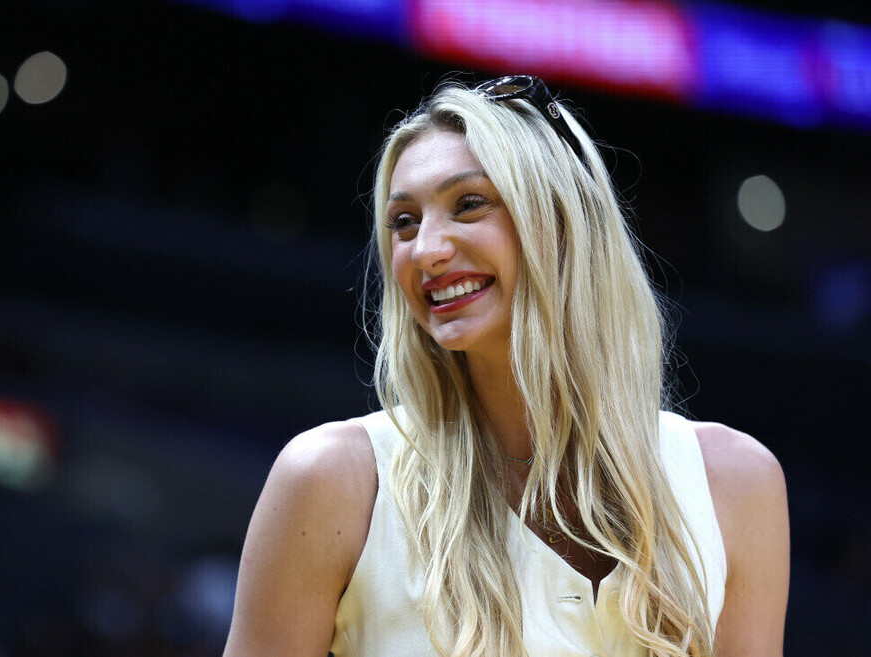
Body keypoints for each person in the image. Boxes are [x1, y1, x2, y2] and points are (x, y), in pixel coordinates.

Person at [223, 75, 789, 657]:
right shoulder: (333, 482)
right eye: (404, 222)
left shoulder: (737, 484)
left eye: (469, 205)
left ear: (563, 224)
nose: (426, 250)